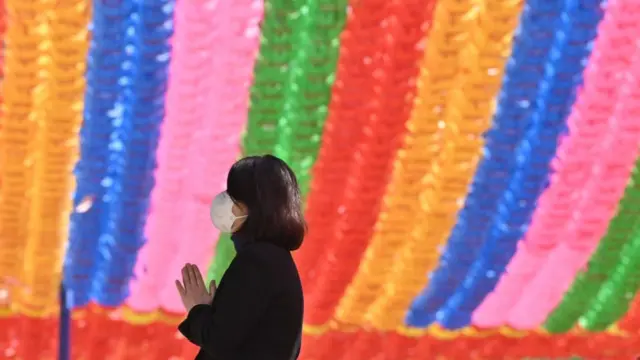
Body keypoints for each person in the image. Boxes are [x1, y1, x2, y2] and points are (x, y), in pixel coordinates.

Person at [175, 155, 305, 360]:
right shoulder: (275, 260)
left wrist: (197, 309)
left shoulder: (258, 261)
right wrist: (213, 311)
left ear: (253, 206)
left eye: (233, 196)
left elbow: (218, 340)